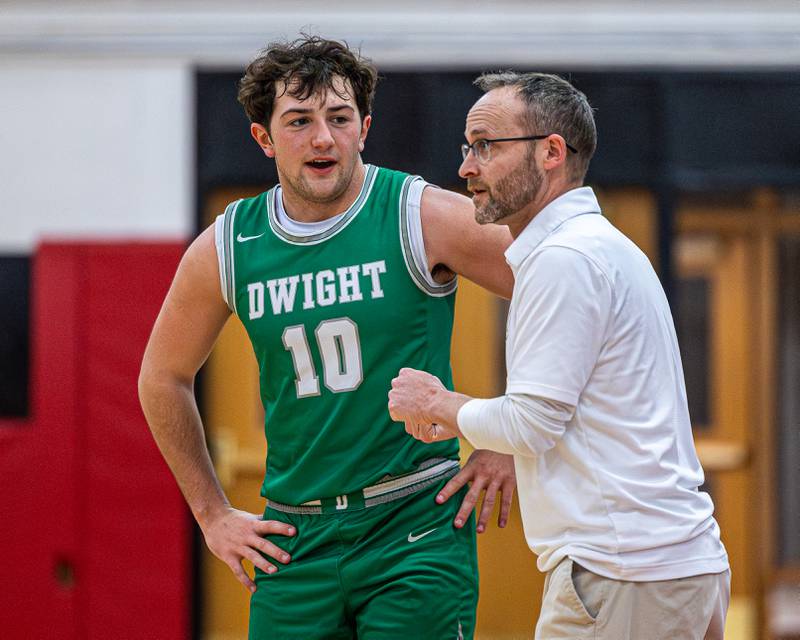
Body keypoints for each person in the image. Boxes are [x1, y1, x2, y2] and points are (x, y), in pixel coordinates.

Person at [138, 36, 517, 639]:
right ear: (264, 137)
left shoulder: (418, 214)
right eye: (299, 121)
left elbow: (559, 294)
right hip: (295, 539)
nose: (322, 138)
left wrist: (511, 432)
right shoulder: (229, 245)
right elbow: (162, 377)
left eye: (339, 118)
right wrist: (211, 514)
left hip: (412, 523)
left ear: (364, 128)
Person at [388, 71, 730, 640]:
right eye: (466, 148)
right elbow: (561, 416)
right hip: (662, 569)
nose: (467, 167)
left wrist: (437, 403)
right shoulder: (595, 246)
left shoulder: (564, 258)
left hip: (626, 573)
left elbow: (532, 424)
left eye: (485, 146)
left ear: (551, 152)